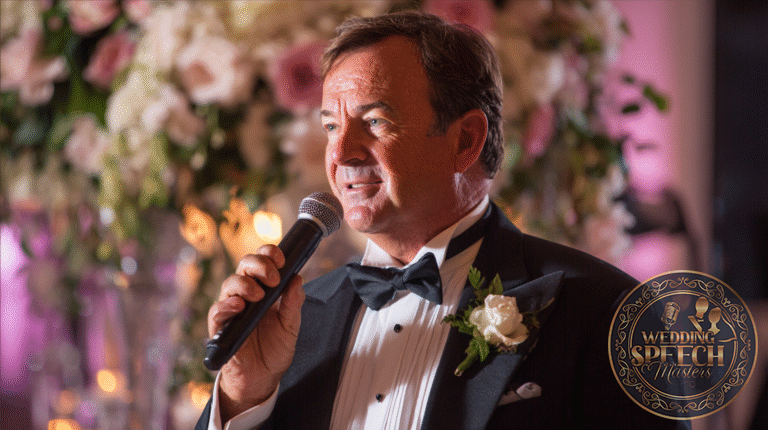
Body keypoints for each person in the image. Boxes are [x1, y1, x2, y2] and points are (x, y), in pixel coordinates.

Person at [197, 11, 686, 430]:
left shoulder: (611, 313)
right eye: (330, 126)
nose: (341, 152)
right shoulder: (291, 320)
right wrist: (243, 396)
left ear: (466, 140)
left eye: (375, 121)